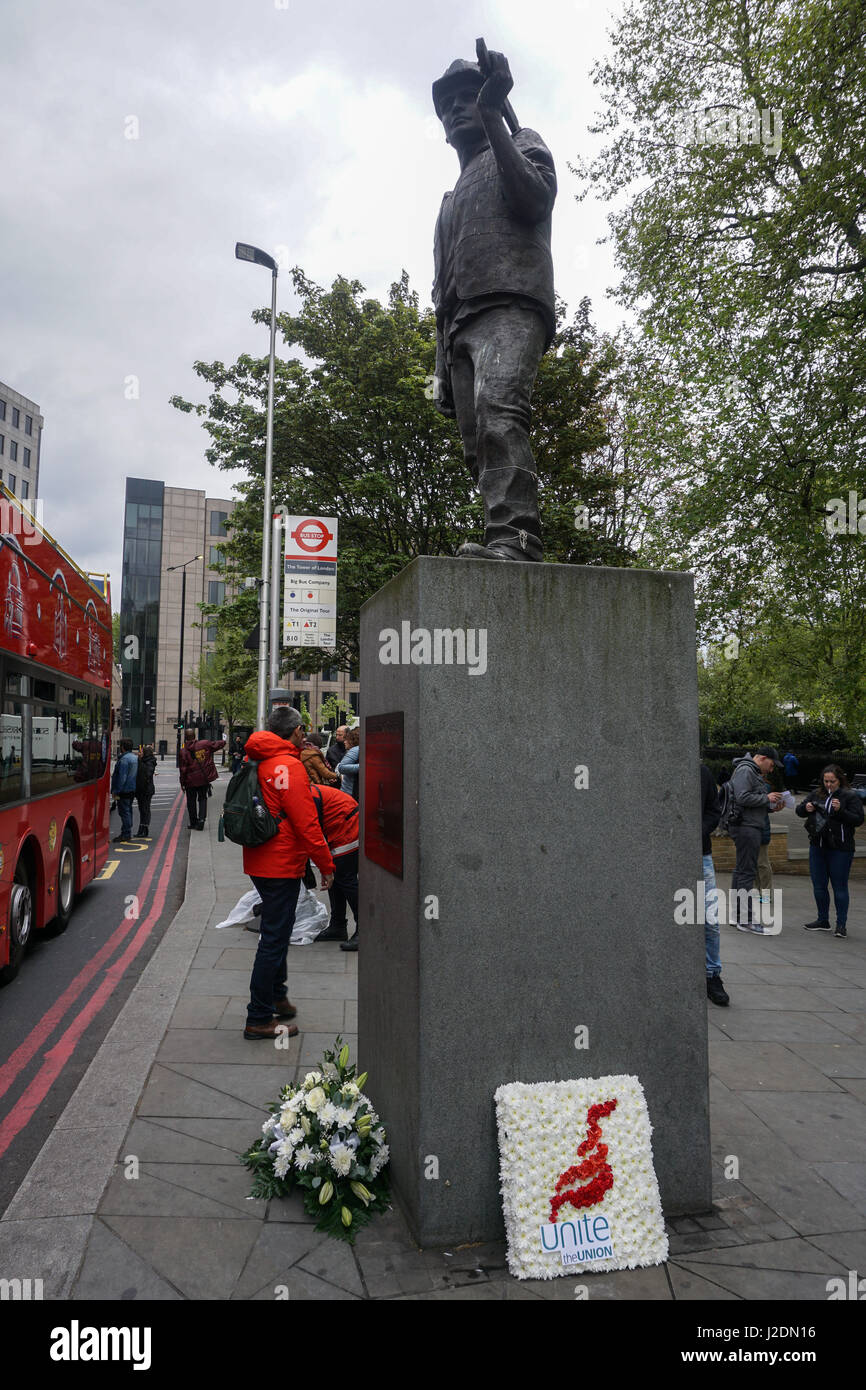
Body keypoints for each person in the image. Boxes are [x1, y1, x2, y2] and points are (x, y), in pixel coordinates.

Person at [431, 49, 556, 561]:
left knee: (499, 414)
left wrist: (495, 119)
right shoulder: (448, 199)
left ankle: (518, 538)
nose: (458, 109)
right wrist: (441, 362)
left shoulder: (523, 143)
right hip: (461, 325)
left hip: (512, 301)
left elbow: (534, 200)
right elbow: (442, 289)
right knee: (475, 442)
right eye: (449, 105)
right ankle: (500, 533)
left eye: (468, 98)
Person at [241, 706, 335, 1040]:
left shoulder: (255, 759)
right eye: (302, 729)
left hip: (258, 859)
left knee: (276, 931)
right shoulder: (288, 766)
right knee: (274, 938)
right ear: (296, 731)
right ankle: (258, 1017)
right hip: (279, 863)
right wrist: (326, 864)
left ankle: (277, 994)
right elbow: (307, 823)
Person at [796, 765, 864, 939]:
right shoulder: (817, 793)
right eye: (826, 781)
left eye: (832, 781)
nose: (829, 784)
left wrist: (840, 810)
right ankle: (822, 920)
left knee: (839, 886)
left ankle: (841, 925)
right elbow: (799, 810)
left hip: (840, 848)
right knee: (819, 885)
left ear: (840, 780)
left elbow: (858, 820)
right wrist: (806, 808)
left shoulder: (850, 796)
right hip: (818, 845)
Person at [727, 747, 785, 932]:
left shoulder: (749, 770)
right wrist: (766, 798)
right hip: (747, 827)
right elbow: (742, 797)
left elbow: (750, 800)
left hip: (748, 824)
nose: (772, 768)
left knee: (741, 872)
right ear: (762, 758)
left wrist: (770, 806)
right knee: (746, 873)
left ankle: (737, 917)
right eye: (771, 764)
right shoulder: (746, 770)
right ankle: (745, 920)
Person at [309, 783, 360, 948]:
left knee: (345, 877)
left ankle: (364, 931)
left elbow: (311, 835)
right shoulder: (302, 792)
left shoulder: (304, 797)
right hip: (342, 822)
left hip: (347, 826)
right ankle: (337, 926)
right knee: (337, 876)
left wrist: (325, 867)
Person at [701, 764, 728, 1005]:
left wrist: (695, 832)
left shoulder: (701, 771)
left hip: (700, 855)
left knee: (710, 919)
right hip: (660, 857)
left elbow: (713, 809)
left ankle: (712, 974)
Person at [179, 730, 225, 830]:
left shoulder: (183, 751)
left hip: (190, 781)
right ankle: (201, 820)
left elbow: (183, 769)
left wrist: (182, 783)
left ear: (185, 737)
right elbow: (216, 744)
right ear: (194, 736)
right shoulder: (204, 744)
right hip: (203, 778)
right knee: (202, 798)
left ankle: (193, 822)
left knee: (191, 801)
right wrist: (224, 741)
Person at [111, 739, 138, 842]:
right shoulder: (134, 758)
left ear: (122, 747)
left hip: (124, 790)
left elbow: (122, 777)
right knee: (128, 810)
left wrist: (116, 790)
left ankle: (126, 833)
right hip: (131, 789)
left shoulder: (124, 760)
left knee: (124, 812)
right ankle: (127, 831)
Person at [135, 743, 157, 838]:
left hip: (146, 790)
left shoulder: (149, 762)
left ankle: (144, 829)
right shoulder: (145, 761)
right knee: (143, 809)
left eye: (141, 752)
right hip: (143, 789)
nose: (140, 753)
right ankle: (142, 828)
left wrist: (139, 761)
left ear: (145, 753)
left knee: (145, 809)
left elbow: (146, 774)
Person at [336, 726, 360, 800]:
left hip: (348, 793)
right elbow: (341, 767)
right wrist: (363, 766)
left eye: (347, 739)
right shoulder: (355, 750)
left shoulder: (355, 750)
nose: (344, 742)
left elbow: (340, 766)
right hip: (349, 793)